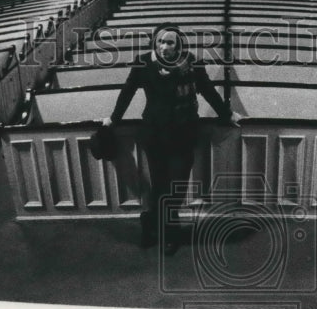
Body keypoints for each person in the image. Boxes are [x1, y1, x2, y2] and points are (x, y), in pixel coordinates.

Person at [103, 23, 240, 255]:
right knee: (159, 185)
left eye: (170, 43)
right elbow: (127, 92)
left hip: (183, 134)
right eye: (160, 42)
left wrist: (227, 114)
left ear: (179, 45)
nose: (164, 47)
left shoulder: (192, 63)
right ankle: (161, 229)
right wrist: (113, 119)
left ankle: (156, 225)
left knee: (176, 187)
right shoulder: (144, 62)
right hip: (154, 135)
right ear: (154, 42)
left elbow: (207, 90)